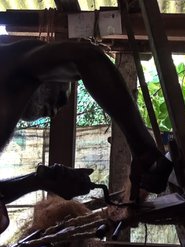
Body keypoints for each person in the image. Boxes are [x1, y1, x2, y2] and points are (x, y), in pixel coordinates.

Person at [0, 39, 173, 232]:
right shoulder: (8, 64)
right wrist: (143, 149)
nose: (59, 106)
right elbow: (85, 56)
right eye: (63, 91)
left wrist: (38, 180)